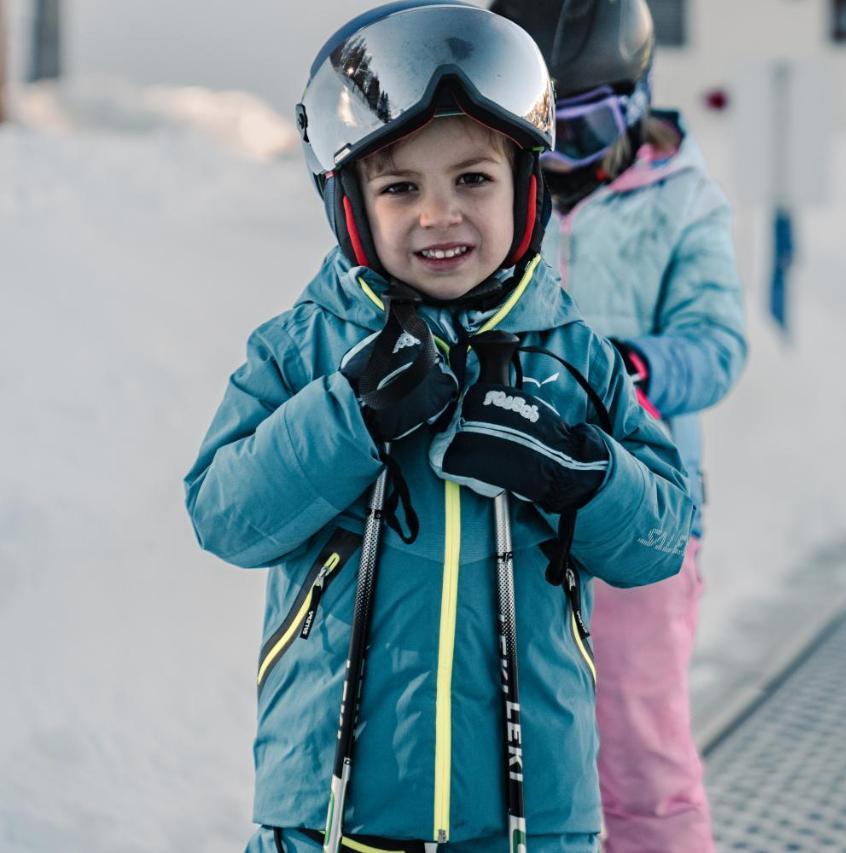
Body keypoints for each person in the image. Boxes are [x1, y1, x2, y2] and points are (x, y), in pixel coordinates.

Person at [183, 4, 695, 851]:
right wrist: (348, 416)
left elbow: (663, 537)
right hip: (332, 808)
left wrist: (581, 474)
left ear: (525, 188)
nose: (439, 214)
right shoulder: (304, 351)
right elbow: (225, 516)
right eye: (400, 187)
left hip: (534, 819)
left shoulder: (572, 357)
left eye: (472, 179)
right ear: (351, 203)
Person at [489, 2, 747, 850]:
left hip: (636, 521)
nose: (561, 156)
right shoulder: (498, 194)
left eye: (588, 125)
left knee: (638, 757)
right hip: (508, 517)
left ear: (637, 103)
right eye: (543, 126)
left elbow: (717, 343)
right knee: (509, 759)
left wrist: (631, 370)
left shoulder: (681, 202)